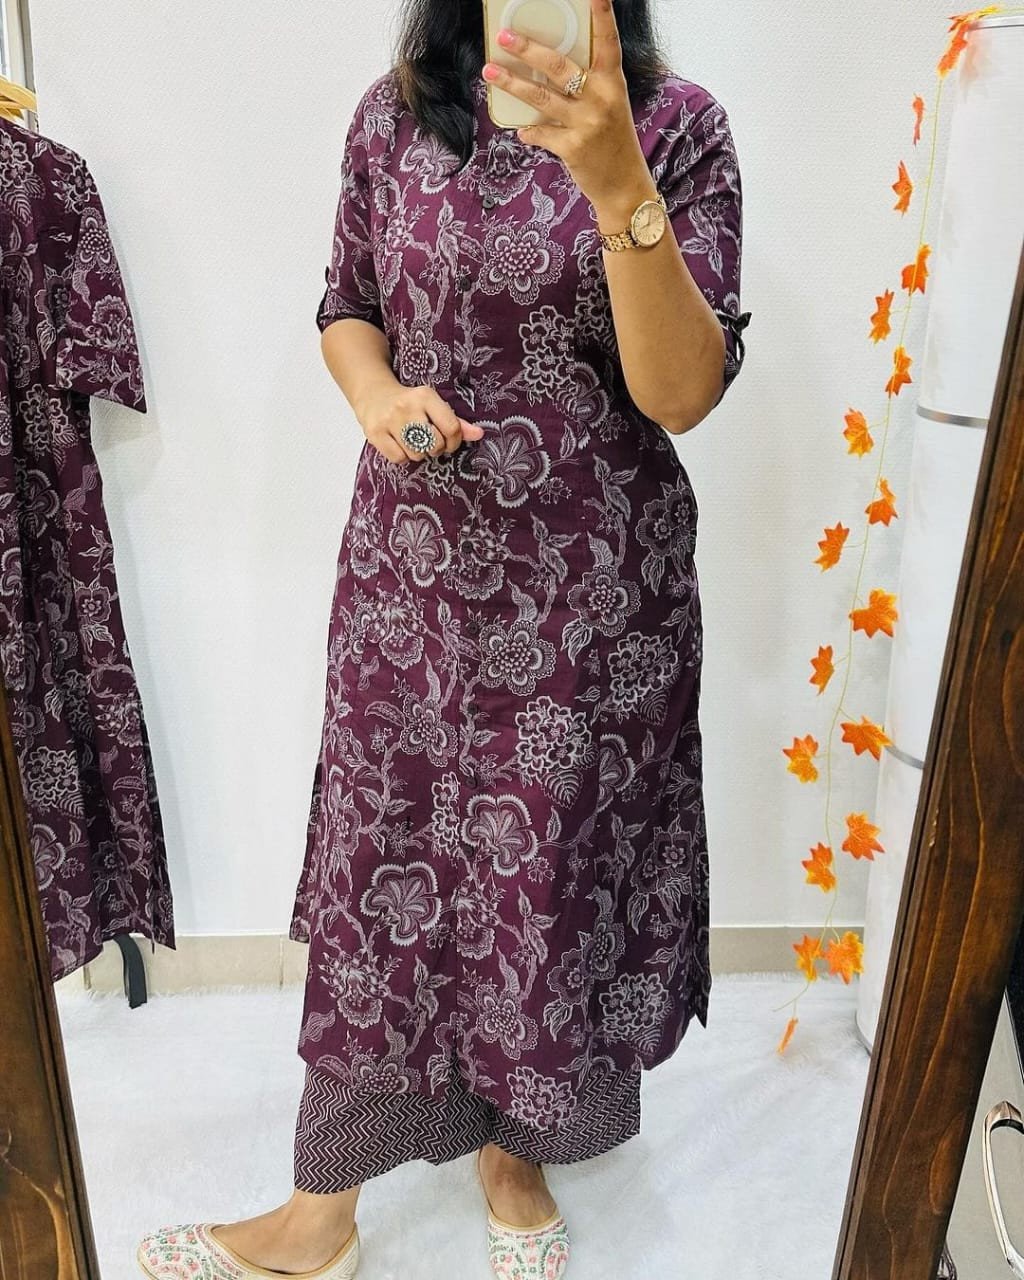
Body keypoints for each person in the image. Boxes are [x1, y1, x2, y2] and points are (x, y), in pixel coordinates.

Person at [137, 0, 750, 1276]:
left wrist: (617, 181)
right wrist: (374, 395)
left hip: (593, 604)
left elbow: (682, 391)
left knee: (549, 876)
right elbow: (348, 304)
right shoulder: (393, 114)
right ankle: (320, 1212)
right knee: (385, 872)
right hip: (409, 591)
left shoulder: (677, 128)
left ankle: (514, 1157)